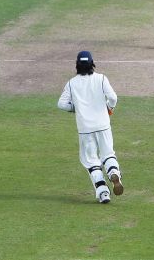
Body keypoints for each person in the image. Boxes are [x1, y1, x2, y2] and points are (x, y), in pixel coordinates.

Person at [57, 51, 124, 204]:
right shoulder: (101, 79)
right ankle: (113, 171)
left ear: (77, 65)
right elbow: (113, 97)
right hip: (103, 124)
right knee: (108, 154)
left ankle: (103, 193)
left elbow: (61, 104)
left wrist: (75, 108)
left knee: (92, 162)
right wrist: (110, 108)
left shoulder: (71, 83)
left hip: (85, 128)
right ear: (92, 63)